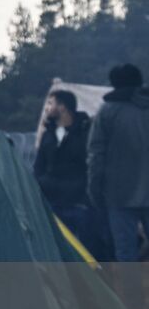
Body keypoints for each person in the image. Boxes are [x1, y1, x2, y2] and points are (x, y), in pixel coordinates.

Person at [89, 64, 149, 264]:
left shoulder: (108, 111)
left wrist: (94, 190)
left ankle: (131, 296)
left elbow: (96, 155)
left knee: (125, 253)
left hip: (119, 195)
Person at [33, 89, 104, 257]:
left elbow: (91, 165)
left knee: (88, 250)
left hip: (78, 203)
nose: (47, 108)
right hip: (53, 203)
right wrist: (41, 184)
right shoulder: (48, 135)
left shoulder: (85, 132)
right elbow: (39, 165)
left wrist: (85, 194)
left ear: (62, 107)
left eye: (51, 104)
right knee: (59, 250)